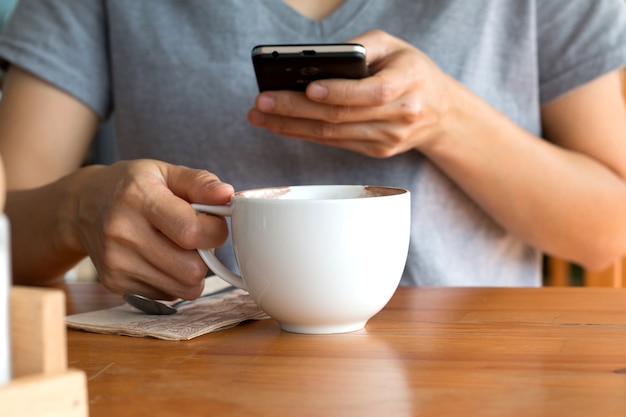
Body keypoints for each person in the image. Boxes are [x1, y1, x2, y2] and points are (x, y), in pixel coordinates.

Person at [0, 0, 624, 300]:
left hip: (472, 380)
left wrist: (447, 120)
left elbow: (610, 227)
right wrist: (78, 207)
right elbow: (11, 226)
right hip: (186, 378)